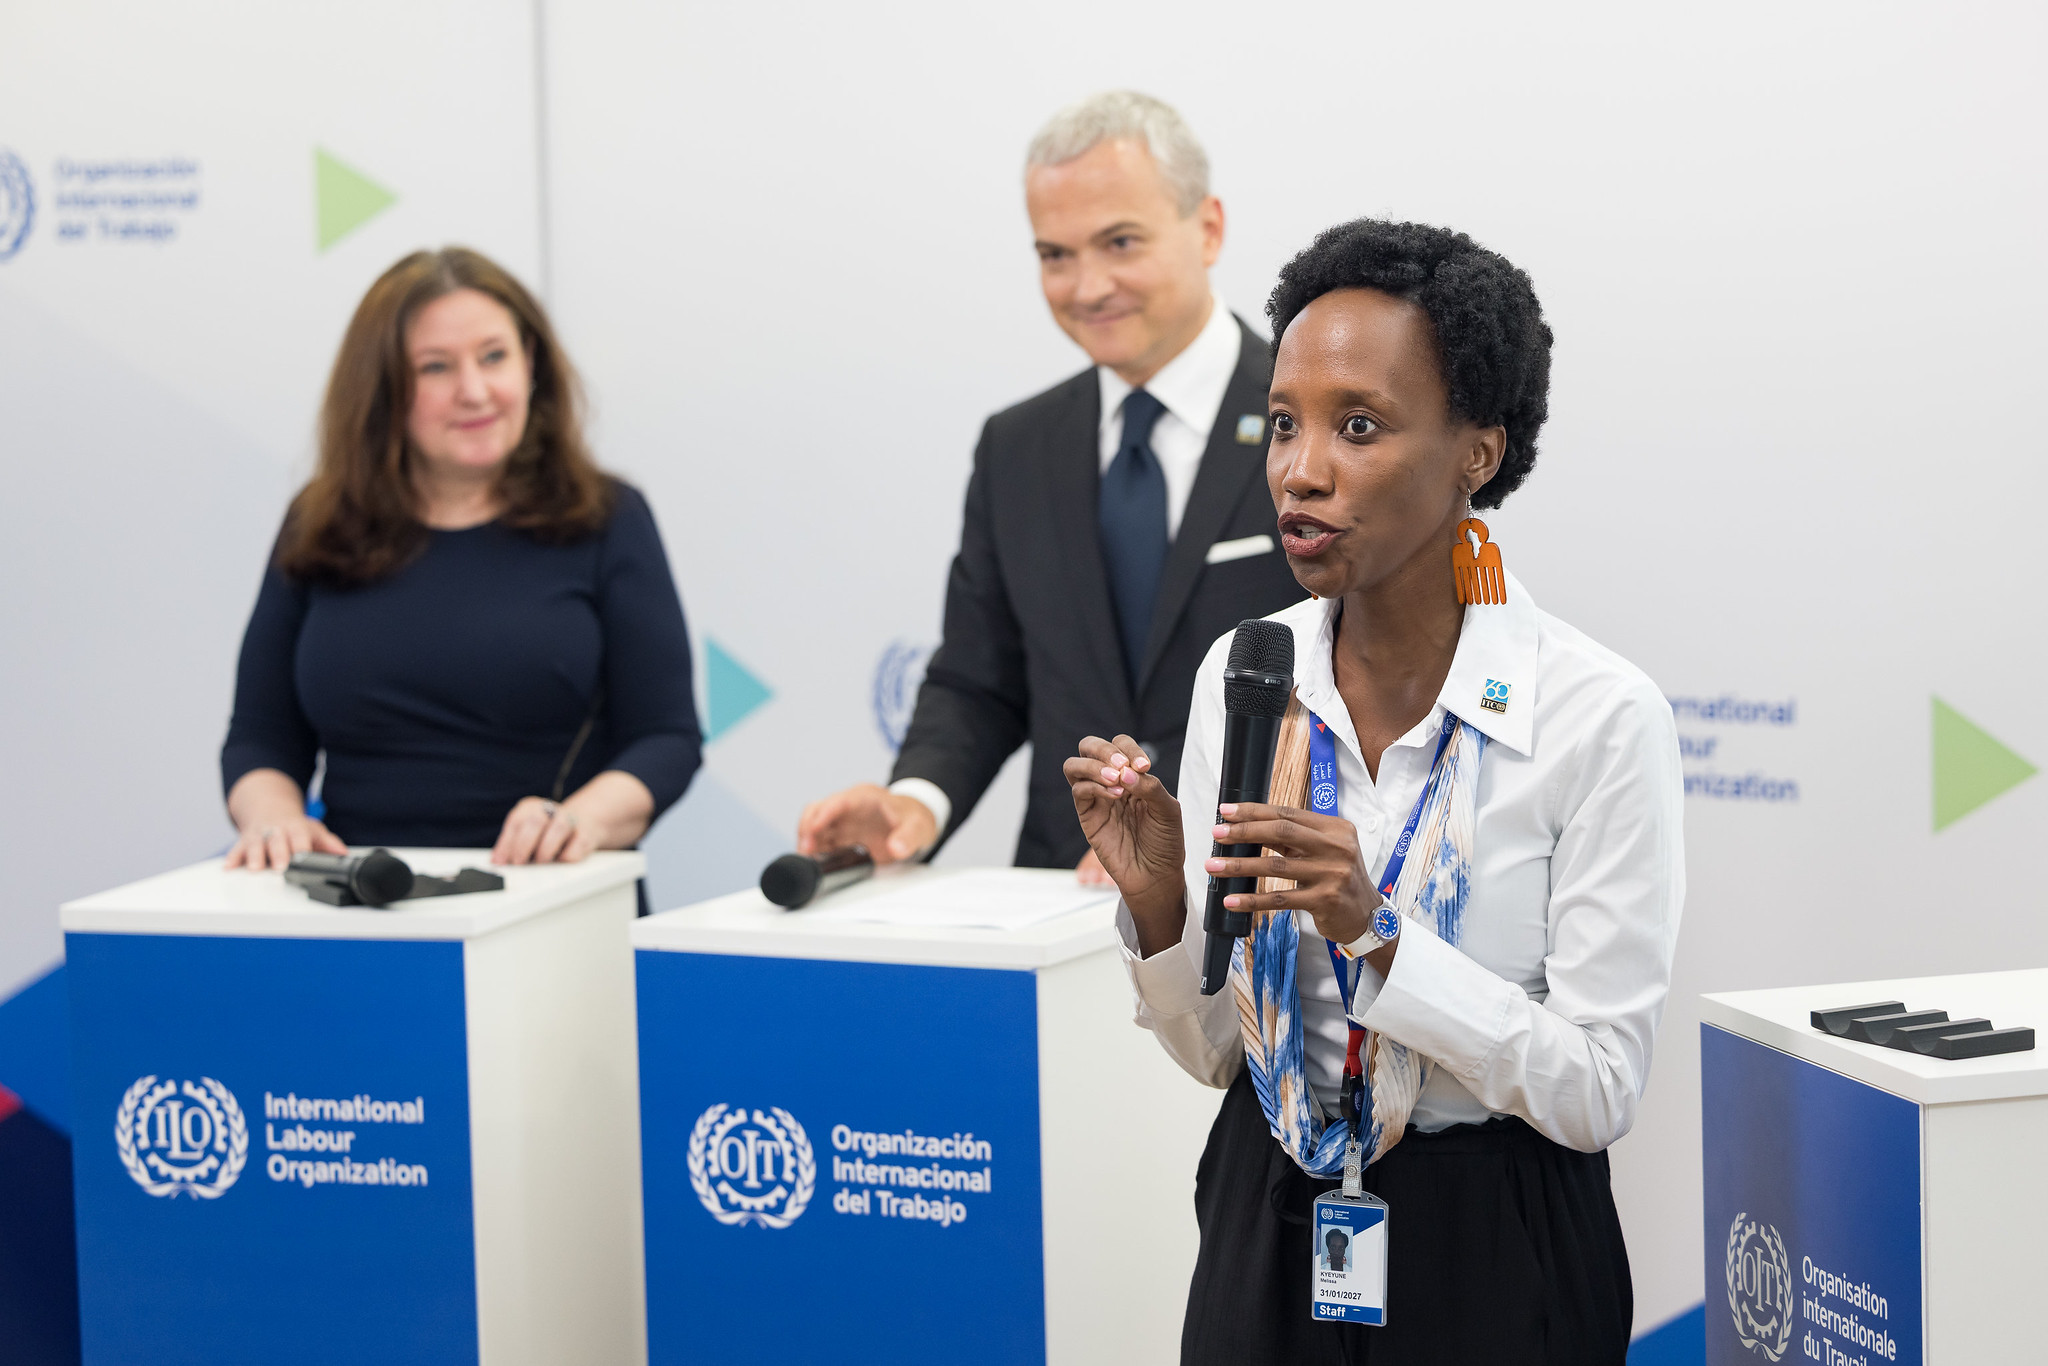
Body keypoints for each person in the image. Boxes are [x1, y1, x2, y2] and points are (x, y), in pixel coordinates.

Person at [1064, 220, 1683, 1362]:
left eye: (1359, 426)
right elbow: (1216, 1054)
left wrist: (1376, 935)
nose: (1301, 470)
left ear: (1475, 455)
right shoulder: (1248, 674)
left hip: (1495, 1238)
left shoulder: (1595, 715)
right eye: (1283, 423)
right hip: (1268, 1204)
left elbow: (1596, 1091)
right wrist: (1158, 909)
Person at [797, 92, 1303, 877]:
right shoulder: (1018, 447)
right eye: (1054, 254)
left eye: (1120, 241)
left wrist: (1198, 822)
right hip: (1056, 904)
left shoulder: (1310, 416)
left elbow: (1372, 683)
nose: (1086, 285)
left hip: (1259, 899)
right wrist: (915, 801)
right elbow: (978, 675)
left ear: (1207, 229)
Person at [220, 247, 701, 884]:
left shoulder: (607, 517)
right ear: (384, 390)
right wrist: (273, 818)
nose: (475, 391)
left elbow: (666, 737)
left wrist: (578, 821)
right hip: (358, 902)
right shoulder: (319, 522)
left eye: (494, 356)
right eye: (436, 368)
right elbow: (260, 734)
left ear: (532, 364)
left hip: (549, 900)